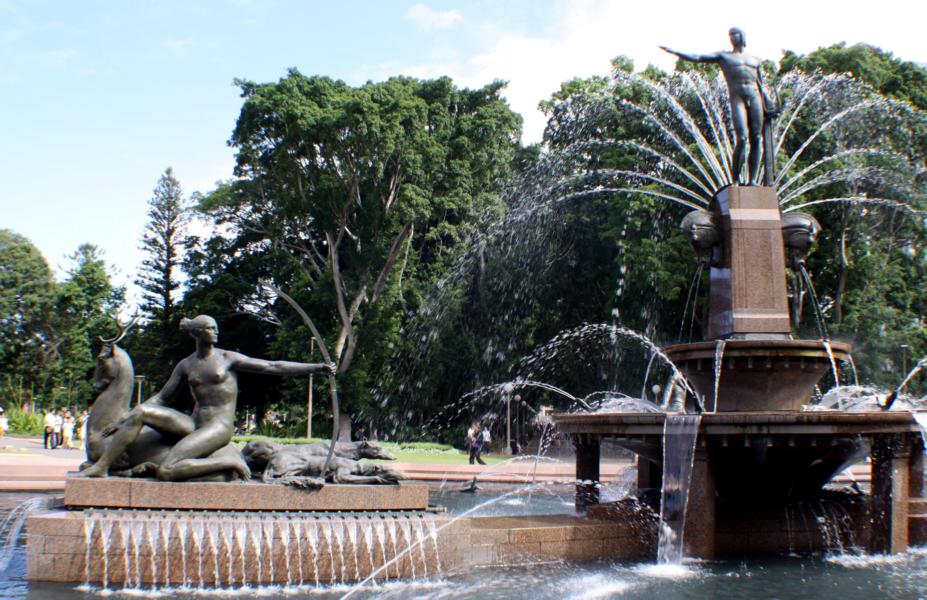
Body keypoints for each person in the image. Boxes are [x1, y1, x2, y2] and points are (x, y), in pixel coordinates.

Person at [81, 315, 335, 481]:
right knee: (140, 412)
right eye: (210, 328)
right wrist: (127, 418)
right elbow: (162, 398)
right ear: (198, 333)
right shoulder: (186, 364)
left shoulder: (227, 358)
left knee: (168, 469)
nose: (216, 332)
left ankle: (226, 462)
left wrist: (316, 368)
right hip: (194, 423)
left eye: (216, 328)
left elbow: (273, 366)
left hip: (218, 428)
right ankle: (102, 466)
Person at [661, 28, 775, 186]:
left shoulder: (755, 60)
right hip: (737, 97)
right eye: (730, 35)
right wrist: (676, 52)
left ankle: (752, 180)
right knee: (741, 138)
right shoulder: (724, 56)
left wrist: (768, 102)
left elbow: (761, 84)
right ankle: (735, 180)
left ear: (742, 36)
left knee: (756, 138)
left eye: (735, 34)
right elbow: (698, 57)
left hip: (755, 97)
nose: (732, 37)